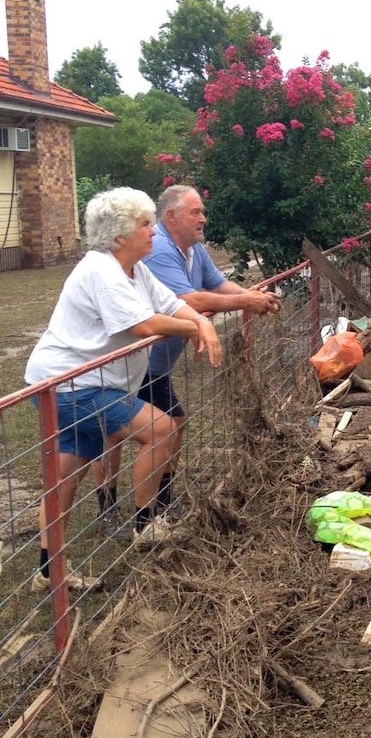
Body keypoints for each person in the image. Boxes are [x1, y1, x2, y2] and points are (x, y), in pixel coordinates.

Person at [24, 188, 222, 590]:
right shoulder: (101, 271)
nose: (153, 232)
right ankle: (146, 525)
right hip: (71, 386)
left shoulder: (135, 268)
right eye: (145, 224)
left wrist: (197, 321)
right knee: (161, 430)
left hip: (79, 383)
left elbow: (169, 305)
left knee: (65, 478)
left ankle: (49, 571)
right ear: (119, 235)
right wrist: (198, 326)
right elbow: (144, 326)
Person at [130, 185, 279, 514]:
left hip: (157, 366)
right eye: (195, 212)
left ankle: (162, 501)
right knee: (150, 433)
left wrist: (250, 296)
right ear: (171, 217)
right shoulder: (161, 251)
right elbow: (186, 300)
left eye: (202, 212)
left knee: (175, 425)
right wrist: (245, 300)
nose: (203, 219)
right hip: (136, 364)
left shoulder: (194, 249)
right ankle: (134, 510)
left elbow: (216, 283)